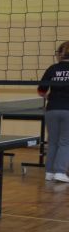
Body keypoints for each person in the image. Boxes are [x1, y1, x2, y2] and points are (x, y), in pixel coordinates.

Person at [37, 41, 69, 182]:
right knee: (65, 142)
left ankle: (49, 172)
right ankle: (60, 172)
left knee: (53, 141)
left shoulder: (52, 68)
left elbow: (41, 90)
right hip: (67, 110)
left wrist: (50, 96)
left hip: (52, 109)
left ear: (60, 54)